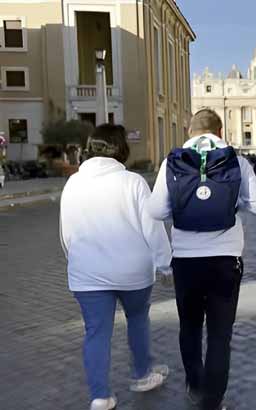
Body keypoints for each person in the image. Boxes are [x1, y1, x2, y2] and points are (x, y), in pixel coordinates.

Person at [147, 109, 256, 410]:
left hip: (186, 261)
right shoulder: (236, 161)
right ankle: (213, 401)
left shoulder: (172, 162)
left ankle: (194, 384)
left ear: (190, 131)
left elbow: (156, 211)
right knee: (219, 334)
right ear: (220, 131)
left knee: (189, 326)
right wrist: (235, 202)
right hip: (225, 261)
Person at [60, 124, 172, 410]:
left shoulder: (73, 183)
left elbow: (66, 231)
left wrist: (75, 259)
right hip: (132, 272)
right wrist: (165, 264)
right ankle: (142, 374)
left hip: (88, 273)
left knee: (96, 332)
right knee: (137, 321)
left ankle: (100, 396)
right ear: (120, 148)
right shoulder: (132, 182)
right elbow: (152, 228)